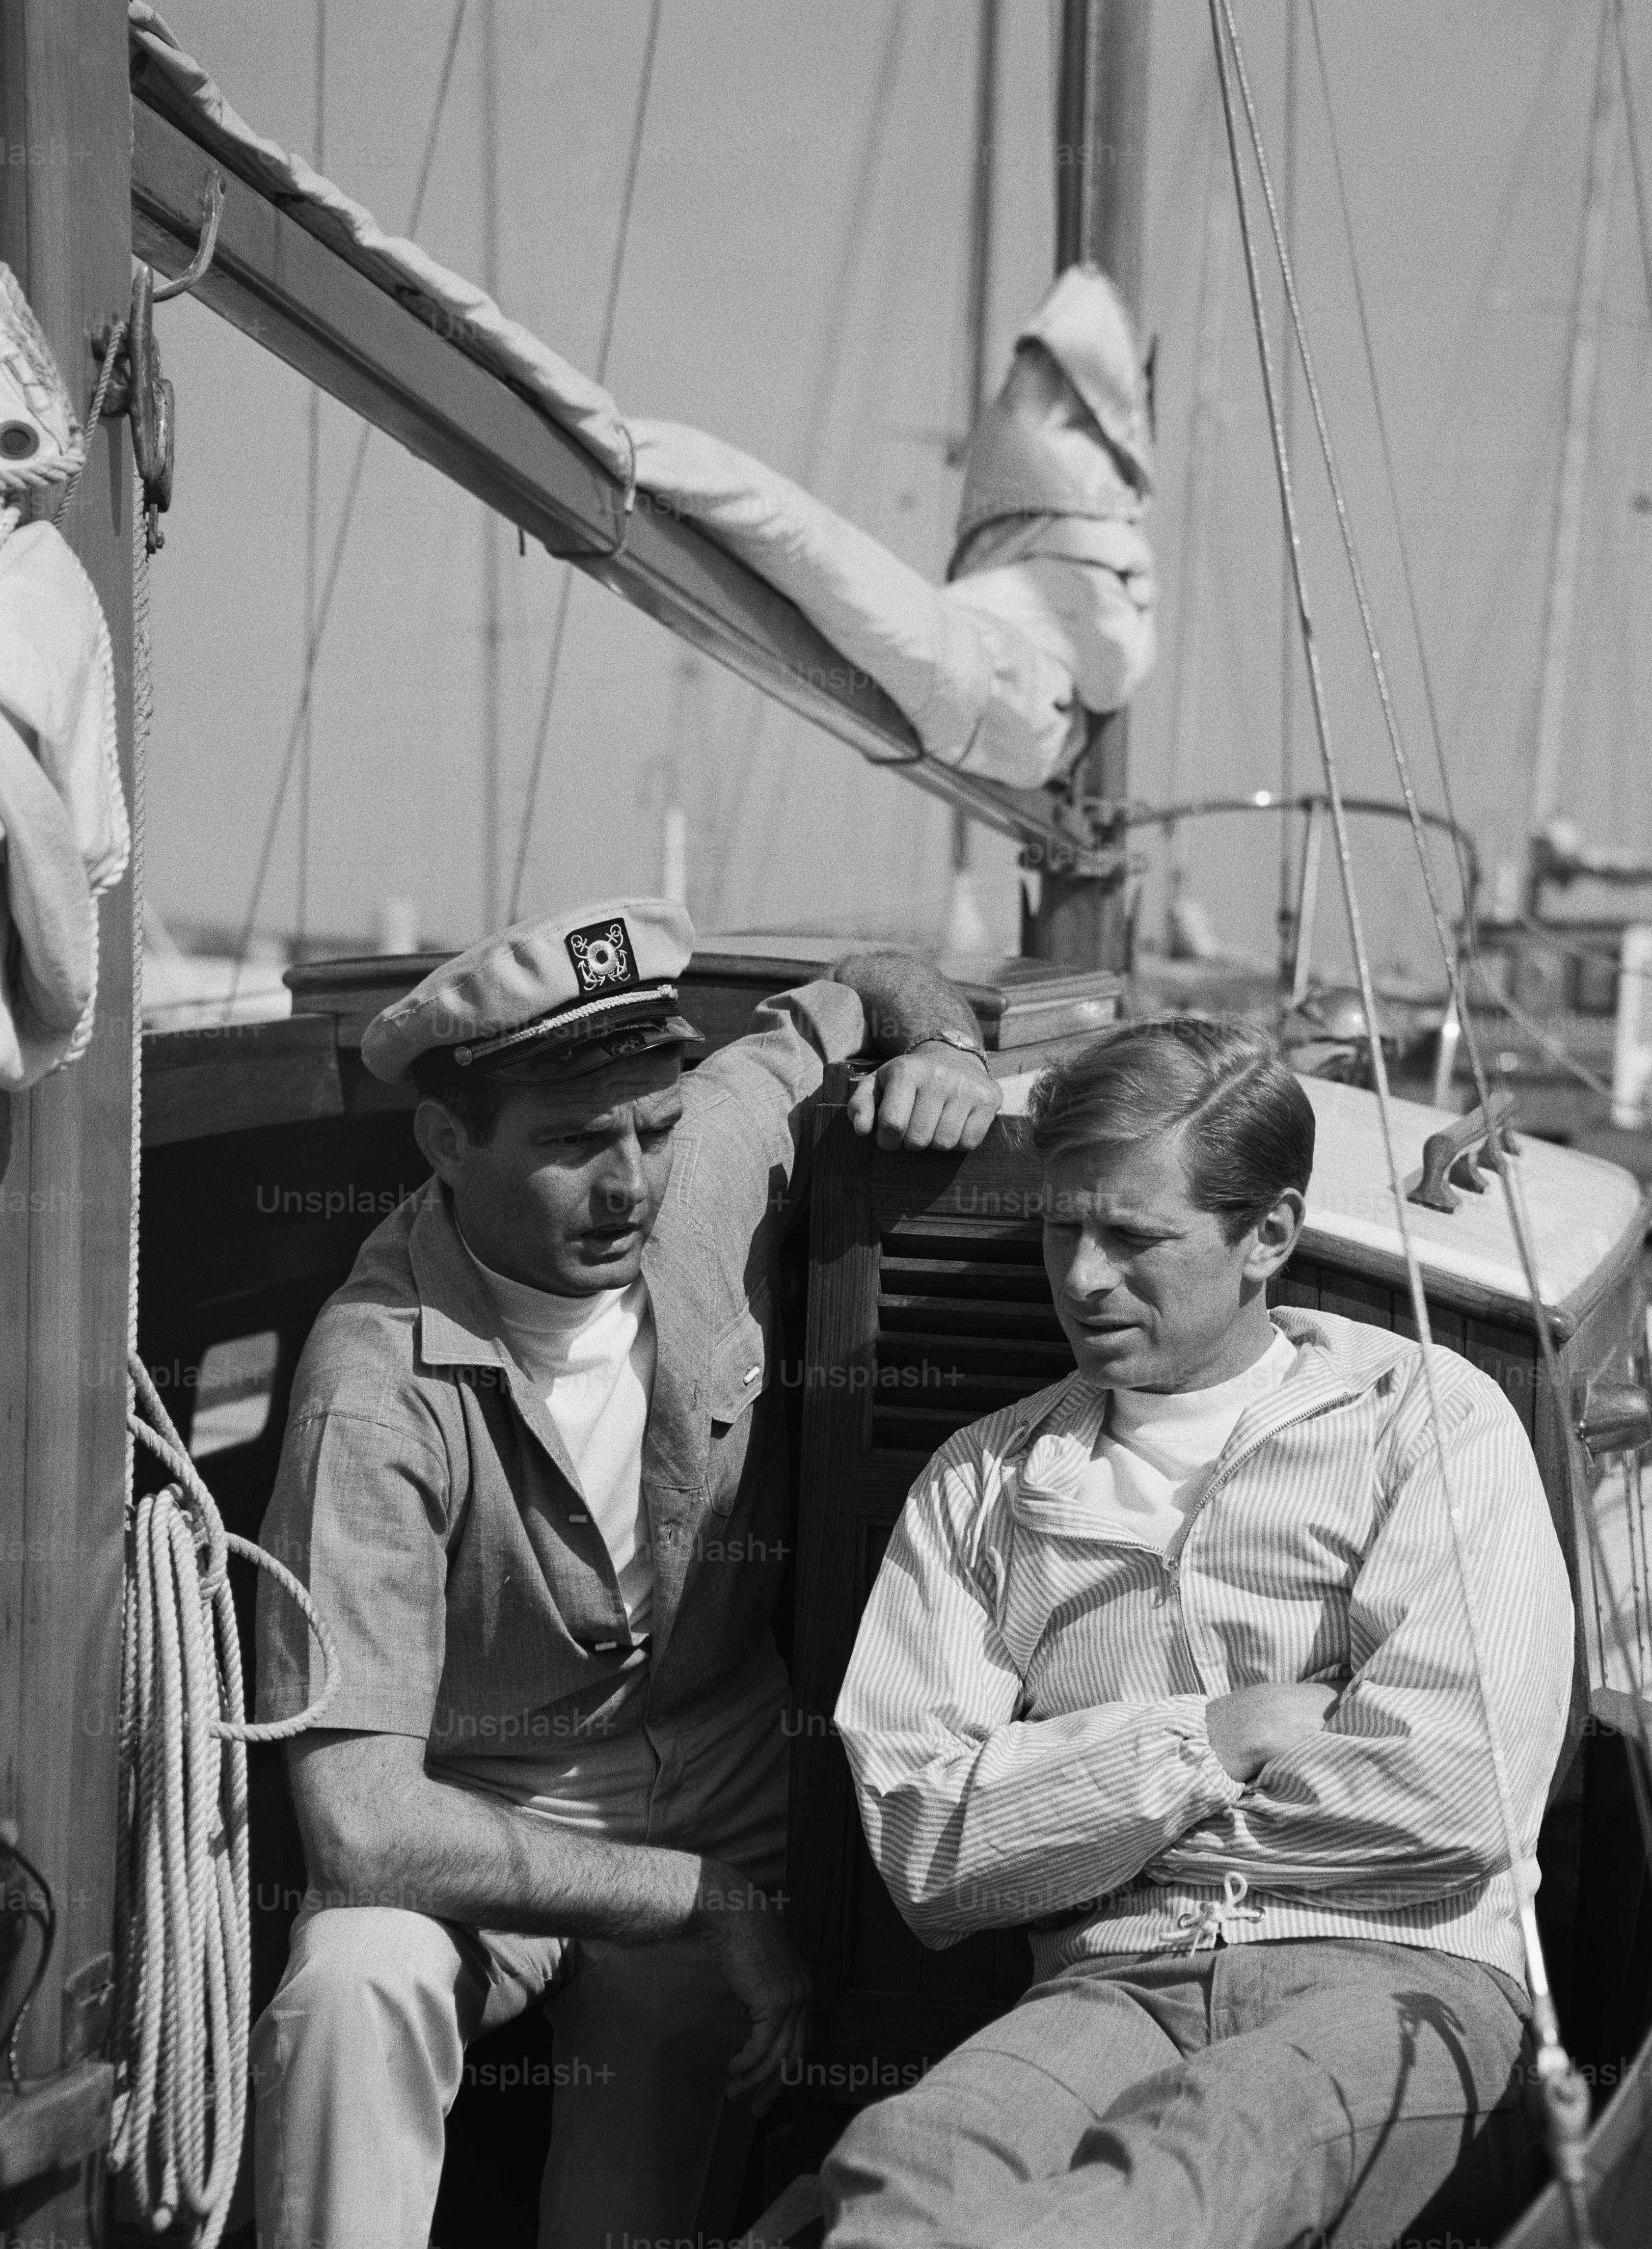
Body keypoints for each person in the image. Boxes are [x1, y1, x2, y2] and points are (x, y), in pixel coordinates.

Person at [251, 897, 1002, 2249]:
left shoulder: (700, 1154)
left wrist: (944, 1041)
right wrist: (701, 1895)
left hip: (722, 1765)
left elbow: (863, 982)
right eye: (570, 1141)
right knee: (356, 1980)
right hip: (477, 1802)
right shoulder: (369, 1394)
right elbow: (359, 1823)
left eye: (650, 1128)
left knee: (631, 2193)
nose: (629, 1184)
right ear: (445, 1139)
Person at [822, 1017, 1575, 2249]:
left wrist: (1074, 1820)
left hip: (1412, 1981)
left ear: (1267, 1235)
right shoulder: (981, 1482)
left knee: (1213, 2140)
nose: (1081, 1278)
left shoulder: (1424, 1420)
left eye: (1134, 1236)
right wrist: (1219, 1737)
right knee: (903, 2161)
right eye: (1065, 1226)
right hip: (1113, 1985)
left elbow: (1455, 1793)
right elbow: (925, 1846)